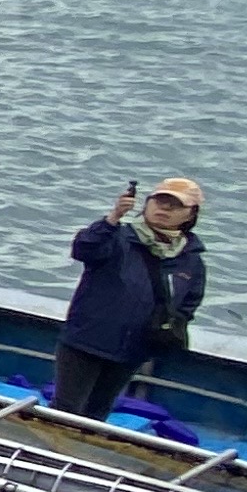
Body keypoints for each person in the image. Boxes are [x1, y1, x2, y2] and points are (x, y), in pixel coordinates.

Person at [57, 178, 207, 422]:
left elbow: (189, 302)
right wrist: (113, 217)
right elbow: (83, 249)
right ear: (146, 204)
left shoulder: (191, 260)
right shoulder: (118, 237)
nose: (164, 209)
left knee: (97, 415)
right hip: (85, 340)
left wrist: (166, 331)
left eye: (175, 205)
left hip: (132, 350)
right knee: (66, 410)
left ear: (190, 215)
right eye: (160, 201)